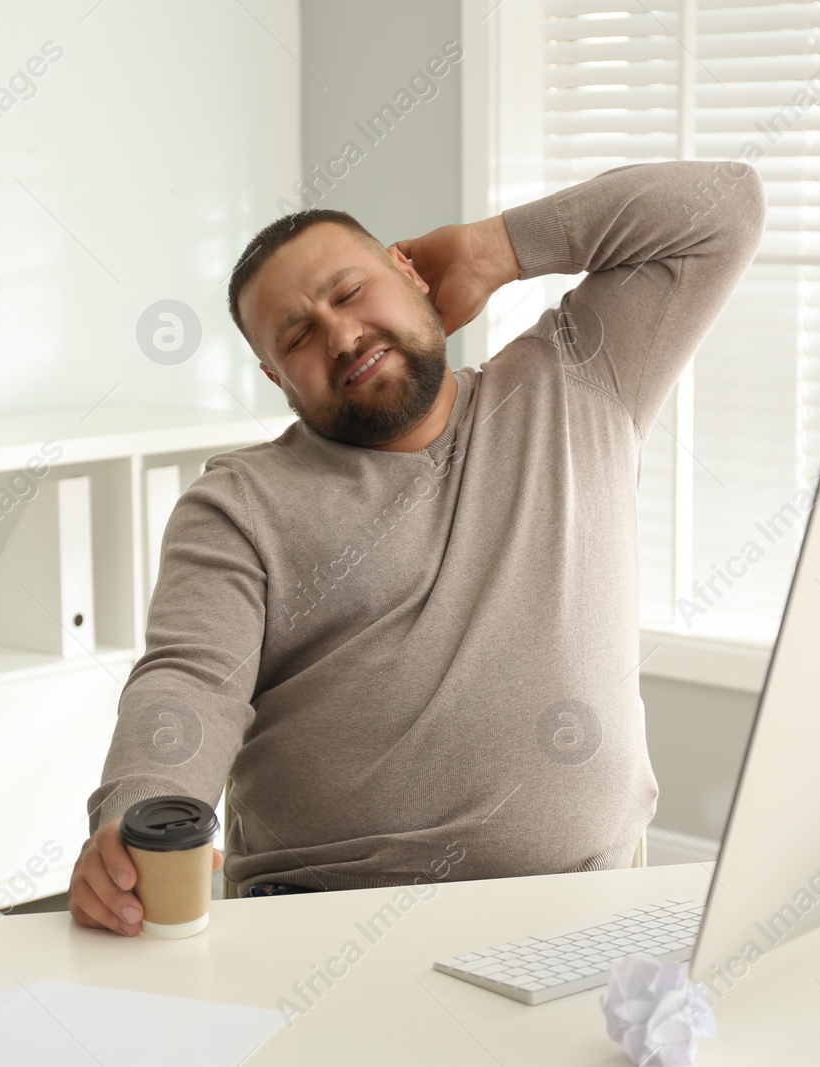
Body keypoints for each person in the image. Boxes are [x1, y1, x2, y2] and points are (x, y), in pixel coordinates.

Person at [70, 160, 766, 935]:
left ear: (409, 269)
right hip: (334, 930)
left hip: (593, 910)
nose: (340, 334)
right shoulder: (237, 503)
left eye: (350, 291)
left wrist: (495, 247)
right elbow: (190, 679)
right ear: (275, 376)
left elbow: (723, 207)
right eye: (299, 334)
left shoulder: (580, 379)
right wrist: (139, 813)